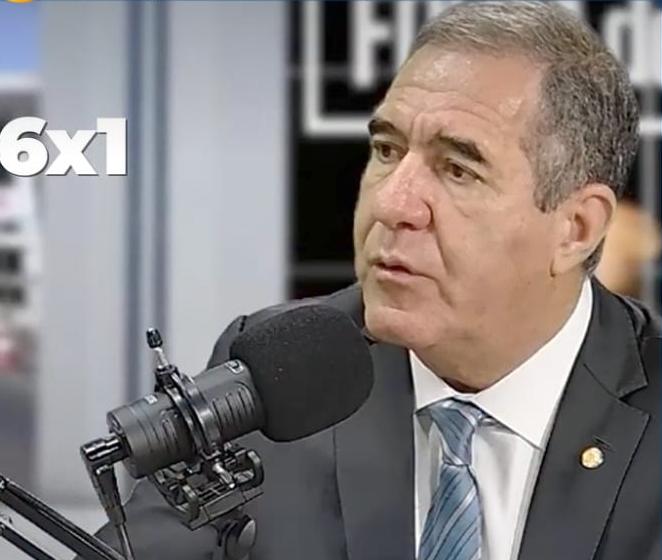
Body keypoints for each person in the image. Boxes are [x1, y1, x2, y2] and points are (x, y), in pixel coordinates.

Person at [91, 2, 660, 559]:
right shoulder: (279, 375)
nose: (392, 203)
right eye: (387, 149)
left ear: (575, 229)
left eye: (458, 169)